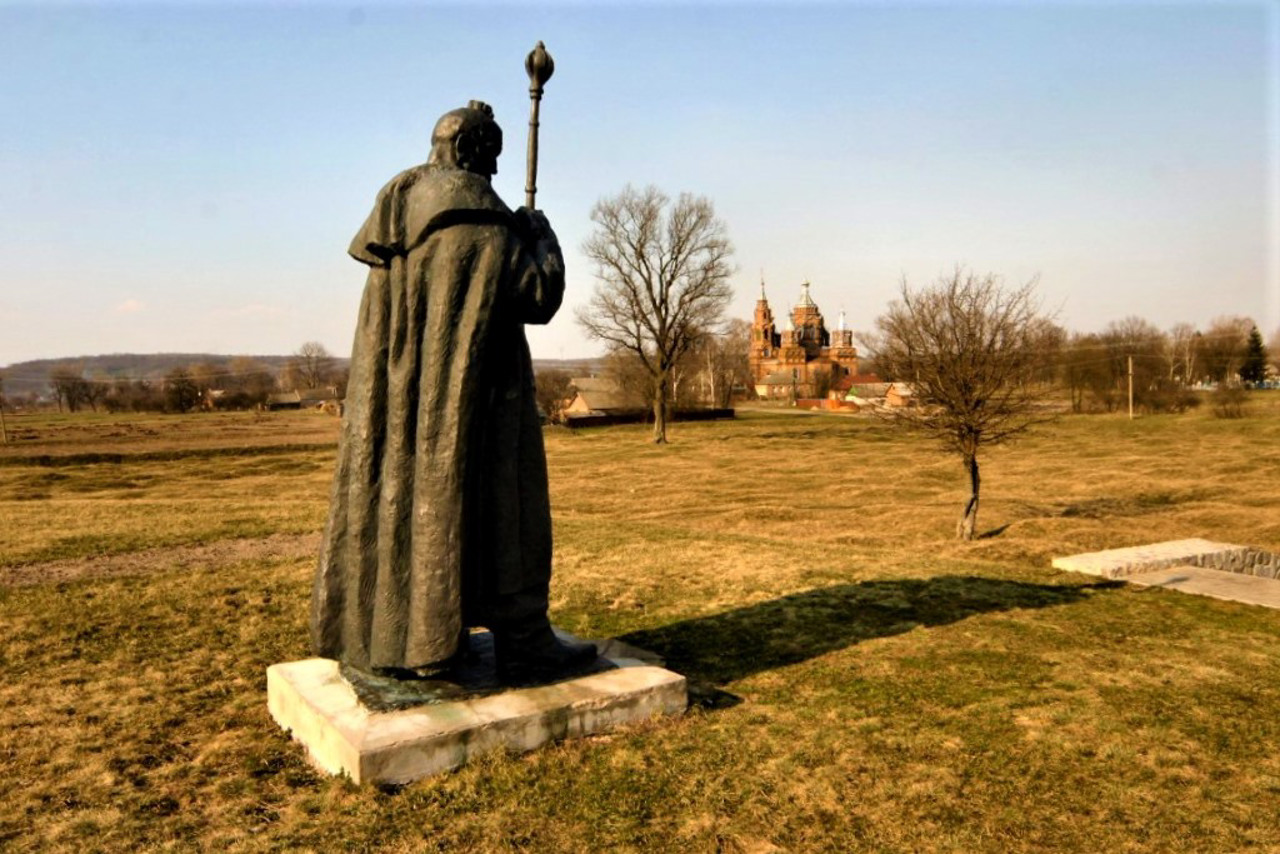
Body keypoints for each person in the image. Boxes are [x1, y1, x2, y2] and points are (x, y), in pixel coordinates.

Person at [310, 101, 595, 682]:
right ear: (470, 153)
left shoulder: (398, 220)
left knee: (413, 503)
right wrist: (541, 235)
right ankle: (523, 639)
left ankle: (404, 638)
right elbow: (537, 296)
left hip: (409, 411)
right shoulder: (484, 224)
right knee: (509, 510)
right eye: (490, 156)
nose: (491, 171)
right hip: (485, 408)